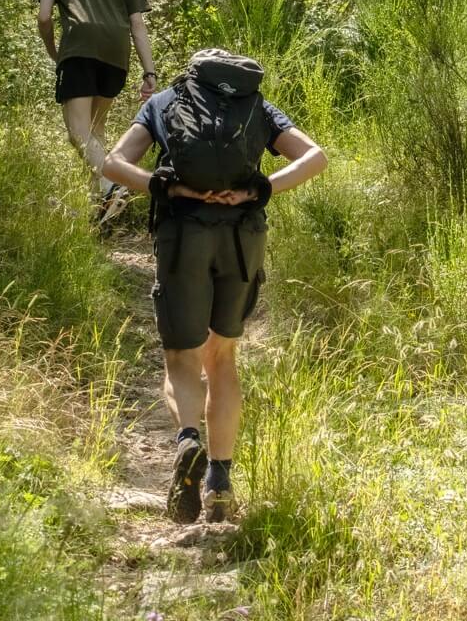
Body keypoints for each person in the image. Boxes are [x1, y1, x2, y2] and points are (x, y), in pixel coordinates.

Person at [102, 56, 327, 523]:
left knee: (181, 357)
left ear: (191, 76)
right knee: (221, 358)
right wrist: (260, 190)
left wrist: (164, 189)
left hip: (184, 238)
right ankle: (220, 481)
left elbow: (114, 163)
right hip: (242, 240)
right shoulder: (257, 108)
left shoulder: (165, 103)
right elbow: (315, 157)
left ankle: (188, 440)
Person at [36, 0, 157, 222]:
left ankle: (111, 184)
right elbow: (137, 24)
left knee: (78, 133)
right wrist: (149, 71)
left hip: (80, 48)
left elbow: (45, 17)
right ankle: (99, 213)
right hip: (116, 52)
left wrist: (56, 53)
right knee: (95, 131)